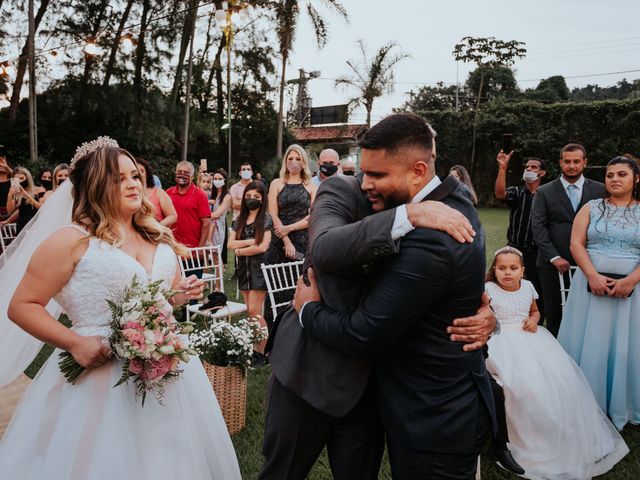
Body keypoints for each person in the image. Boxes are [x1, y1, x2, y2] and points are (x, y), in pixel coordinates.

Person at [262, 113, 495, 480]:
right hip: (311, 371)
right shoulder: (342, 191)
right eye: (364, 171)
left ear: (418, 171)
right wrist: (408, 214)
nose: (365, 182)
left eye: (377, 175)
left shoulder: (449, 214)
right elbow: (323, 248)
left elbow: (443, 283)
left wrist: (485, 314)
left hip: (376, 391)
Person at [0, 137, 241, 478]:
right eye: (119, 178)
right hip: (98, 377)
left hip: (166, 373)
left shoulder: (154, 234)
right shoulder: (71, 240)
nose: (132, 184)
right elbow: (22, 305)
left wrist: (180, 295)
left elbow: (165, 297)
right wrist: (75, 343)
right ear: (97, 185)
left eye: (134, 176)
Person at [485, 246, 628, 478]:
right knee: (516, 383)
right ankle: (513, 438)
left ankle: (552, 433)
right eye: (502, 268)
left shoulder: (528, 287)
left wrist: (533, 320)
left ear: (522, 271)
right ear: (494, 270)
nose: (507, 273)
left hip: (531, 339)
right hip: (501, 341)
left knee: (551, 383)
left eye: (513, 268)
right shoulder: (488, 289)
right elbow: (485, 316)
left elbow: (534, 311)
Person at [558, 156, 640, 430]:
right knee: (589, 340)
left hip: (632, 289)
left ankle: (624, 404)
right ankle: (584, 402)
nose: (614, 179)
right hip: (589, 286)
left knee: (626, 343)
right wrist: (591, 275)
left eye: (621, 174)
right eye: (609, 175)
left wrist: (632, 280)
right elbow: (576, 244)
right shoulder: (591, 208)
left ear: (635, 179)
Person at [531, 143, 605, 336]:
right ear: (560, 162)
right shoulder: (544, 191)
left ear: (585, 163)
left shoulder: (600, 190)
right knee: (555, 314)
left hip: (591, 264)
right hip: (552, 265)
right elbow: (538, 227)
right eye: (567, 161)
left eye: (576, 161)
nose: (571, 166)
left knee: (588, 313)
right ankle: (556, 358)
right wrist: (554, 257)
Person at [495, 151, 547, 323]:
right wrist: (503, 168)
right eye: (527, 167)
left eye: (534, 167)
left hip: (536, 252)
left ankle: (534, 323)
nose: (529, 169)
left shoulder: (546, 194)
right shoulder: (517, 192)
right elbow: (500, 194)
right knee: (507, 285)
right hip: (515, 249)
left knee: (535, 292)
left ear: (542, 173)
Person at [227, 181, 272, 354]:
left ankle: (263, 351)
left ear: (262, 199)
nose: (251, 199)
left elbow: (262, 247)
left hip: (258, 269)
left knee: (255, 311)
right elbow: (230, 243)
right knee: (251, 312)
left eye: (256, 197)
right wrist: (250, 242)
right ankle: (256, 347)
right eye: (248, 196)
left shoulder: (266, 218)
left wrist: (240, 251)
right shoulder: (239, 219)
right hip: (243, 270)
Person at [267, 144, 316, 263]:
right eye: (290, 158)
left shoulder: (312, 187)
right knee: (278, 277)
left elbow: (312, 218)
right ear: (285, 161)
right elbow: (273, 214)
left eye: (298, 159)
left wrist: (289, 228)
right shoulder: (276, 183)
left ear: (304, 162)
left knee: (301, 276)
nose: (294, 162)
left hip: (302, 239)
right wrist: (286, 240)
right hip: (280, 238)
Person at [166, 161, 211, 249]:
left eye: (186, 173)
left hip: (193, 249)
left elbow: (206, 223)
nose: (182, 175)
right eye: (179, 172)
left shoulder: (200, 195)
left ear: (192, 177)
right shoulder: (168, 193)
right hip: (172, 247)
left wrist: (200, 247)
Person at [136, 157, 177, 228]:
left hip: (156, 236)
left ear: (147, 174)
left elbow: (173, 216)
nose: (139, 174)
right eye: (136, 172)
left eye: (142, 171)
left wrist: (157, 227)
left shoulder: (159, 193)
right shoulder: (128, 194)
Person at [6, 166, 42, 233]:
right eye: (17, 180)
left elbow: (43, 208)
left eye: (22, 178)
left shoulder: (38, 190)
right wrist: (9, 195)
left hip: (35, 225)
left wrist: (27, 196)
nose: (20, 181)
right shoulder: (16, 193)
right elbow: (10, 211)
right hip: (22, 226)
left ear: (27, 178)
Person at [208, 168, 232, 253]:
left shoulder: (227, 197)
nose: (217, 181)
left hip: (218, 227)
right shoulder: (211, 194)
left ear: (224, 180)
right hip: (207, 226)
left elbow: (217, 214)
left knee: (216, 256)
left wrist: (201, 215)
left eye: (220, 179)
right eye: (215, 179)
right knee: (205, 257)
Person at [0, 157, 13, 222]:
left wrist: (6, 167)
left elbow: (18, 175)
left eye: (2, 164)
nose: (1, 165)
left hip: (11, 210)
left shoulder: (13, 181)